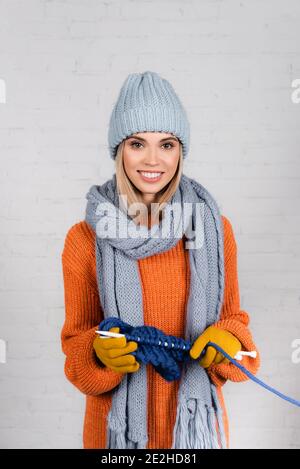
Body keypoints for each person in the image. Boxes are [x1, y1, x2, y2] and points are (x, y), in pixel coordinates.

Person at [61, 70, 260, 449]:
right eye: (138, 143)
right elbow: (75, 351)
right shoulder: (84, 239)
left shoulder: (214, 229)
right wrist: (98, 352)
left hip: (193, 430)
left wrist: (229, 341)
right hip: (116, 436)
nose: (153, 159)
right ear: (119, 150)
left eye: (167, 144)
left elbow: (236, 324)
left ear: (180, 151)